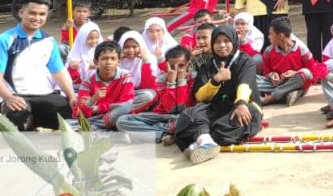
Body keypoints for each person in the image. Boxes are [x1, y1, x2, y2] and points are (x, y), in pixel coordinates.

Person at [172, 24, 264, 164]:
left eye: (226, 41)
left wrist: (241, 103)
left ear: (234, 41)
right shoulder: (208, 65)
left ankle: (201, 137)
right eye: (217, 42)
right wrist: (216, 80)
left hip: (245, 105)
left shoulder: (245, 61)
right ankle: (206, 141)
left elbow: (245, 84)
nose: (222, 45)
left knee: (233, 122)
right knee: (188, 114)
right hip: (218, 107)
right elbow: (200, 96)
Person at [0, 0, 78, 131]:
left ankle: (34, 120)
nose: (37, 18)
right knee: (17, 115)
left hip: (45, 95)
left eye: (42, 14)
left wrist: (71, 96)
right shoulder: (4, 40)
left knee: (77, 114)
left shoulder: (49, 41)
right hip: (16, 96)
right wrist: (8, 97)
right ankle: (27, 122)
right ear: (21, 13)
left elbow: (59, 73)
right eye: (32, 13)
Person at [117, 46, 193, 142]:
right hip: (161, 116)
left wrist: (182, 82)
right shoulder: (161, 80)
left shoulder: (193, 80)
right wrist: (171, 84)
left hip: (182, 117)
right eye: (172, 66)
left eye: (181, 66)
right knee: (122, 121)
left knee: (192, 120)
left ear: (188, 65)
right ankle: (163, 133)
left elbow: (181, 107)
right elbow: (170, 108)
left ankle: (163, 130)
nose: (176, 70)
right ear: (167, 65)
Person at [72, 41, 136, 130]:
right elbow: (81, 112)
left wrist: (98, 108)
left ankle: (93, 126)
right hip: (96, 117)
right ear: (96, 61)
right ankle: (94, 126)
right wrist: (93, 99)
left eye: (113, 59)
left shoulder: (125, 76)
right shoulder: (88, 80)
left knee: (127, 106)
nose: (109, 62)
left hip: (115, 114)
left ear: (119, 61)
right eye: (104, 58)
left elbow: (125, 104)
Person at [258, 17, 319, 107]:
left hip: (296, 83)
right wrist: (272, 75)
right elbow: (266, 72)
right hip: (277, 84)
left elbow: (313, 75)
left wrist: (295, 73)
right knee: (253, 79)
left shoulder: (302, 50)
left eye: (271, 34)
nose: (269, 37)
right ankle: (287, 94)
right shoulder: (268, 51)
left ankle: (271, 98)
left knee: (305, 72)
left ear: (280, 36)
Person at [116, 32, 160, 114]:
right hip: (122, 95)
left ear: (141, 46)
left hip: (139, 94)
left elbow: (147, 86)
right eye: (126, 47)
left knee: (149, 95)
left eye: (134, 47)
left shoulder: (150, 58)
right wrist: (116, 63)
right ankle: (121, 111)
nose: (130, 50)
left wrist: (145, 61)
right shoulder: (117, 60)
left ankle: (119, 111)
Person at [66, 21, 102, 86]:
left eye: (97, 38)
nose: (94, 41)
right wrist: (73, 68)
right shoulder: (75, 54)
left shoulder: (101, 50)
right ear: (83, 37)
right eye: (90, 38)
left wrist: (96, 68)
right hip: (79, 86)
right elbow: (69, 78)